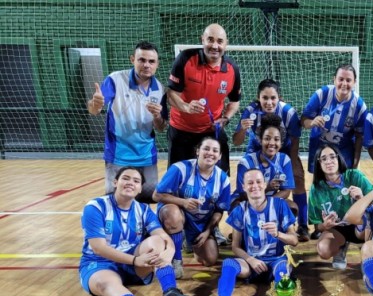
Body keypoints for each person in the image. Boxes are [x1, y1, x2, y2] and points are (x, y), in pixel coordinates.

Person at [79, 167, 193, 296]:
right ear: (115, 182)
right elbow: (99, 248)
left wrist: (170, 253)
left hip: (135, 266)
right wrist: (135, 260)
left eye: (136, 181)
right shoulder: (96, 207)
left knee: (157, 241)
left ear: (140, 189)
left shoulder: (143, 209)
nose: (130, 183)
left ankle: (170, 292)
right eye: (126, 178)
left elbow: (163, 236)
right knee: (106, 284)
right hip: (100, 264)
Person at [194, 169, 298, 296]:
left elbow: (294, 240)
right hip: (251, 265)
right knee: (229, 263)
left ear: (264, 184)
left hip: (276, 261)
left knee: (284, 266)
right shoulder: (240, 210)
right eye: (250, 183)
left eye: (258, 182)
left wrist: (278, 234)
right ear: (243, 186)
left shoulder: (280, 205)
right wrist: (251, 260)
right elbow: (235, 247)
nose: (254, 185)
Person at [87, 41, 167, 203]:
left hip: (146, 156)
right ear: (133, 59)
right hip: (118, 155)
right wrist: (95, 104)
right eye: (141, 60)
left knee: (149, 201)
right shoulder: (115, 80)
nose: (146, 65)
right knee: (116, 202)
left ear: (157, 64)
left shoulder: (160, 89)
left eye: (151, 61)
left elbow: (161, 127)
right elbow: (94, 110)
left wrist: (158, 116)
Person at [232, 79, 309, 241]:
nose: (269, 102)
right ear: (258, 98)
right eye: (265, 98)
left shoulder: (288, 113)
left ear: (279, 98)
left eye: (273, 98)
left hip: (284, 146)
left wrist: (293, 162)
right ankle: (244, 224)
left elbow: (295, 140)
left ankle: (302, 225)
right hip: (257, 146)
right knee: (251, 182)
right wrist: (243, 129)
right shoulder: (250, 112)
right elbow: (236, 141)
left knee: (298, 178)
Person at [166, 23, 241, 173]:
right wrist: (186, 107)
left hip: (211, 131)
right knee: (178, 178)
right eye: (210, 40)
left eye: (220, 41)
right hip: (182, 130)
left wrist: (225, 118)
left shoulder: (232, 69)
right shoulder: (185, 59)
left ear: (226, 44)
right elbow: (171, 94)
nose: (214, 46)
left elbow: (235, 102)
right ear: (202, 40)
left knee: (221, 175)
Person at [152, 137, 231, 279]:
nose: (210, 153)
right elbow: (156, 195)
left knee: (210, 260)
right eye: (206, 148)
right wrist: (183, 202)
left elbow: (219, 210)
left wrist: (207, 231)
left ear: (219, 157)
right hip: (179, 214)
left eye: (215, 150)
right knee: (172, 213)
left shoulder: (223, 178)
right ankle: (176, 259)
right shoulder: (180, 169)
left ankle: (187, 241)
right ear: (197, 151)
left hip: (201, 222)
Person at [308, 144, 373, 270]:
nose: (329, 161)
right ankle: (341, 247)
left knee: (369, 225)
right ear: (318, 163)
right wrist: (325, 226)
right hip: (337, 229)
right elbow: (317, 224)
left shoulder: (355, 176)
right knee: (324, 250)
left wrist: (362, 198)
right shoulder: (316, 189)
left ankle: (369, 253)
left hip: (360, 226)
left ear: (339, 159)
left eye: (332, 157)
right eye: (324, 159)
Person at [231, 114, 297, 215]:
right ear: (260, 140)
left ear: (281, 143)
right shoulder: (246, 162)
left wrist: (266, 204)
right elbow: (244, 194)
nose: (271, 143)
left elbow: (286, 191)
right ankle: (242, 230)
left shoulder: (284, 160)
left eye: (276, 139)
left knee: (292, 207)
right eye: (267, 138)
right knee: (236, 207)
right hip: (248, 200)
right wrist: (267, 187)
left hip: (270, 199)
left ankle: (279, 229)